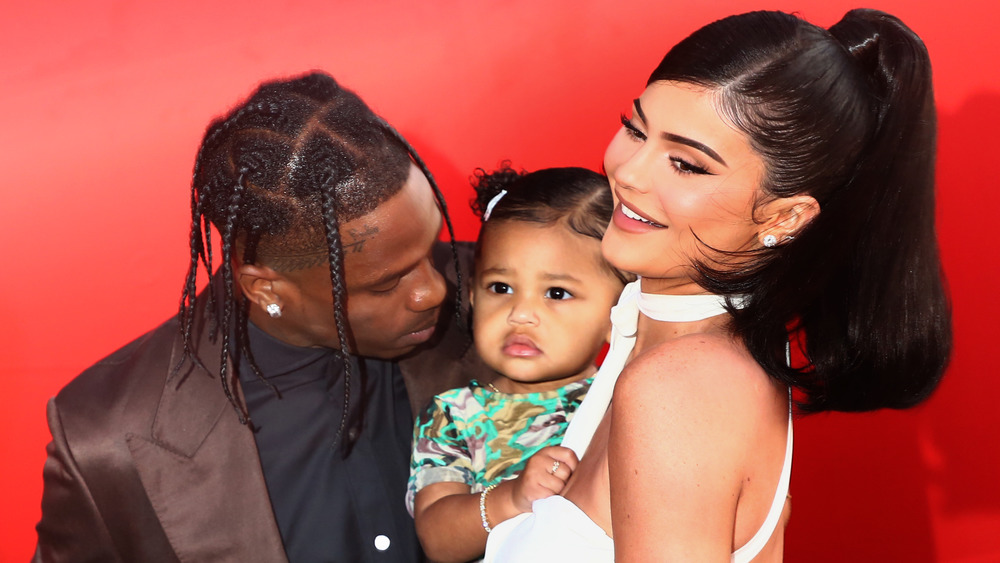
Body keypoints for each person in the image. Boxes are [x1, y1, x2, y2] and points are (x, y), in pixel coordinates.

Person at [485, 9, 952, 562]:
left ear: (782, 218)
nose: (630, 171)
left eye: (686, 164)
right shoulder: (672, 340)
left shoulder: (676, 388)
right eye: (635, 128)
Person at [34, 72, 490, 562]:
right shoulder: (107, 439)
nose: (434, 289)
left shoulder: (508, 306)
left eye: (430, 246)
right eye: (385, 282)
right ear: (267, 289)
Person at [406, 165, 631, 562]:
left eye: (557, 292)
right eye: (500, 288)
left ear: (619, 314)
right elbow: (437, 538)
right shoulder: (455, 416)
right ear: (473, 297)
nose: (520, 313)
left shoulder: (630, 404)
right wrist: (512, 497)